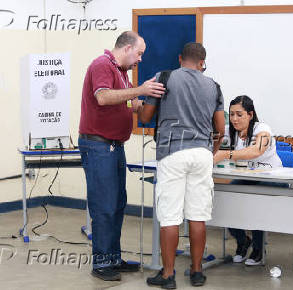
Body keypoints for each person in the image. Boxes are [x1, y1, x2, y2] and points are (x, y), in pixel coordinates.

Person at [78, 31, 166, 281]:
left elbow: (126, 103)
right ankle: (102, 263)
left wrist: (146, 100)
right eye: (139, 53)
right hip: (98, 146)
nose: (140, 59)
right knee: (104, 205)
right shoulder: (102, 65)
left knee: (117, 203)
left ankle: (113, 258)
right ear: (126, 48)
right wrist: (139, 89)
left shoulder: (122, 73)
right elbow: (104, 97)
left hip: (114, 146)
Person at [138, 42, 225, 289]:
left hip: (172, 152)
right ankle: (197, 272)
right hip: (202, 154)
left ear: (179, 58)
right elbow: (220, 129)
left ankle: (167, 275)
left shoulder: (164, 78)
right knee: (197, 216)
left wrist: (140, 108)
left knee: (170, 217)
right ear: (202, 63)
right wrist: (210, 152)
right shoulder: (214, 86)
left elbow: (145, 118)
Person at [214, 95, 286, 266]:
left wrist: (226, 154)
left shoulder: (262, 129)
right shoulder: (229, 131)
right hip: (249, 178)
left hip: (273, 178)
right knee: (226, 199)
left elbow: (256, 151)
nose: (234, 119)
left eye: (239, 115)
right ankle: (242, 240)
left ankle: (258, 248)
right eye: (231, 115)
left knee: (254, 201)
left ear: (250, 115)